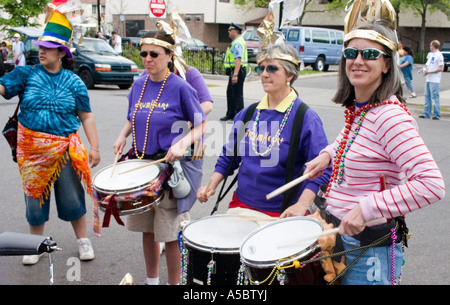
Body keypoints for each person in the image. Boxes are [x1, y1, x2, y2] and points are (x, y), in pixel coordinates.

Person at [305, 21, 445, 285]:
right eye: (351, 53)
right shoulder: (363, 110)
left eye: (369, 54)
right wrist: (328, 155)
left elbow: (431, 184)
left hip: (367, 250)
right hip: (338, 238)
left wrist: (366, 208)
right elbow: (357, 142)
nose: (358, 60)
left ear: (387, 64)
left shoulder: (389, 116)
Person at [0, 10, 101, 265]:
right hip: (31, 152)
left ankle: (82, 240)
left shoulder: (75, 82)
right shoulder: (27, 74)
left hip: (64, 149)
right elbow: (3, 88)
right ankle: (35, 245)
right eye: (41, 47)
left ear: (61, 53)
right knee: (34, 199)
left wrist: (95, 147)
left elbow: (86, 116)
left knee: (72, 197)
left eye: (48, 47)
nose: (41, 51)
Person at [113, 31, 206, 285]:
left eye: (154, 54)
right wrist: (122, 136)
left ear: (169, 56)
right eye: (144, 53)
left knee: (170, 233)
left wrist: (182, 143)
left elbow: (201, 124)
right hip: (142, 166)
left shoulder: (180, 87)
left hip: (168, 168)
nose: (147, 59)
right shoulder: (138, 85)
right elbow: (133, 117)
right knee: (147, 229)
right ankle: (151, 281)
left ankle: (173, 284)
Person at [198, 43, 330, 222]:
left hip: (281, 213)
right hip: (241, 205)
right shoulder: (248, 113)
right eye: (262, 68)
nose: (264, 74)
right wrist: (211, 184)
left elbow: (323, 169)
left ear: (289, 75)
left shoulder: (305, 118)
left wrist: (301, 205)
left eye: (273, 68)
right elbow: (230, 156)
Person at [221, 23, 248, 121]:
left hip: (237, 71)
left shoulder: (237, 43)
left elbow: (238, 59)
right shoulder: (236, 41)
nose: (228, 32)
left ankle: (238, 115)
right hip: (235, 71)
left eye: (230, 30)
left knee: (237, 94)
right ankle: (231, 113)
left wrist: (235, 74)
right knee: (231, 93)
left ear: (235, 31)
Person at [419, 40, 444, 120]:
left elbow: (441, 68)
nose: (429, 47)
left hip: (435, 80)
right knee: (427, 96)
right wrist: (425, 70)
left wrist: (430, 72)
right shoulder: (430, 55)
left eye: (430, 45)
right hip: (428, 79)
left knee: (434, 97)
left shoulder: (439, 55)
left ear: (433, 46)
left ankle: (437, 114)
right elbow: (428, 65)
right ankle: (426, 113)